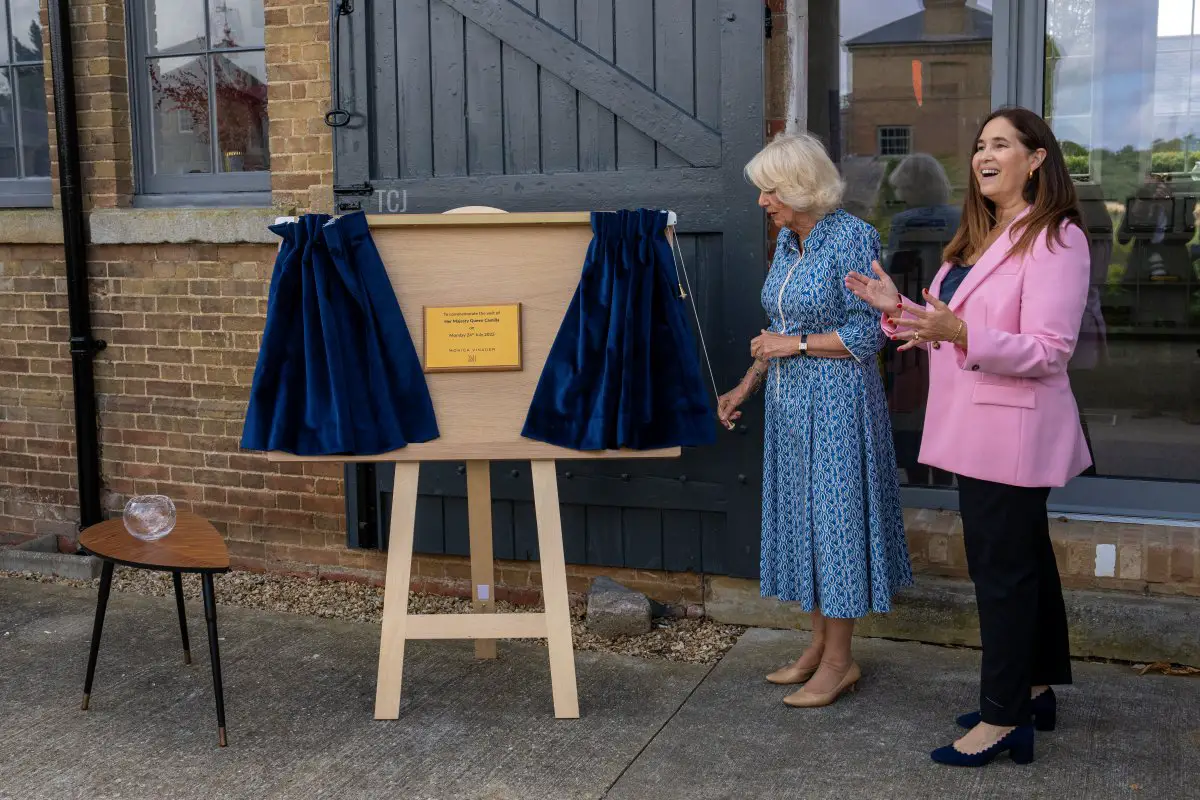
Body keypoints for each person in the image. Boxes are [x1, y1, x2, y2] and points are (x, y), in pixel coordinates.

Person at [846, 106, 1092, 767]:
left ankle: (1003, 717)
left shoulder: (1055, 238)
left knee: (1001, 574)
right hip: (977, 425)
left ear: (1036, 159)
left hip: (1011, 434)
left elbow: (1049, 350)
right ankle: (1035, 690)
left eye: (1002, 145)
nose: (986, 154)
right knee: (1026, 563)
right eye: (981, 144)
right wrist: (896, 310)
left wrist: (961, 334)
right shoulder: (984, 235)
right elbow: (948, 327)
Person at [717, 132, 912, 709]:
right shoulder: (787, 243)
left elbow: (870, 331)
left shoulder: (853, 238)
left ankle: (840, 662)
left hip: (838, 406)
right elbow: (773, 332)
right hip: (789, 406)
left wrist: (794, 345)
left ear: (801, 187)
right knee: (805, 522)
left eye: (769, 190)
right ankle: (818, 646)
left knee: (836, 528)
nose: (761, 202)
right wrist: (744, 386)